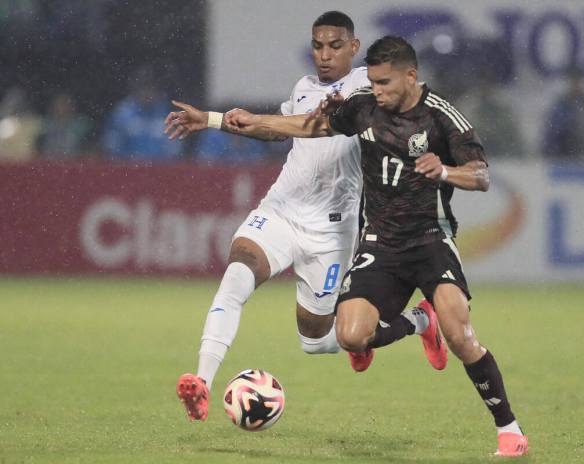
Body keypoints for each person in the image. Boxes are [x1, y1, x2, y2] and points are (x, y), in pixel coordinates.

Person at [226, 35, 529, 457]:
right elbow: (311, 127)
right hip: (379, 243)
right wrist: (254, 122)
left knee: (460, 335)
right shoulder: (364, 105)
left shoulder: (442, 117)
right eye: (372, 81)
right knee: (350, 337)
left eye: (385, 82)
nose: (377, 90)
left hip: (430, 240)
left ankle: (509, 429)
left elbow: (481, 176)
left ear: (411, 76)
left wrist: (444, 171)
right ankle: (421, 322)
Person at [164, 12, 446, 422]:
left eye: (335, 45)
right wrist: (210, 120)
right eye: (317, 46)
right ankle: (202, 384)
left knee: (318, 342)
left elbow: (383, 110)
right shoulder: (304, 87)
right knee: (237, 275)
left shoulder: (371, 88)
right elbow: (279, 130)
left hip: (332, 231)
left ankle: (421, 320)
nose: (325, 55)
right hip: (281, 210)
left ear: (354, 46)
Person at [103, 65, 183, 161]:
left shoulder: (168, 114)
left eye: (150, 88)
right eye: (142, 88)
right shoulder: (122, 113)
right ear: (135, 89)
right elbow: (111, 148)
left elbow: (175, 152)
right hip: (127, 170)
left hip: (160, 171)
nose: (146, 93)